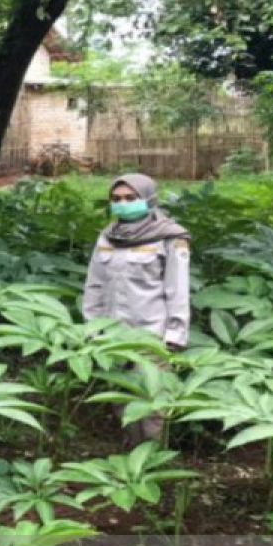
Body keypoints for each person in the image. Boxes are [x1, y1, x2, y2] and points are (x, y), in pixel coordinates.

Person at [83, 173, 191, 445]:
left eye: (131, 198)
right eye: (117, 199)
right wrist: (92, 326)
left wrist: (175, 335)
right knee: (121, 399)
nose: (123, 203)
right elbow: (94, 285)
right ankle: (131, 455)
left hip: (151, 335)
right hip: (112, 334)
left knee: (152, 404)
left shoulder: (170, 237)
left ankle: (153, 460)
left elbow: (177, 289)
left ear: (149, 199)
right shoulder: (108, 237)